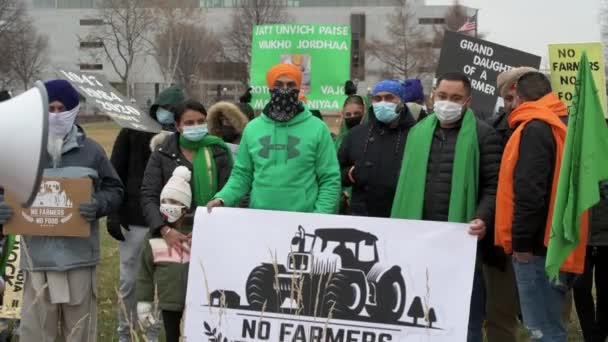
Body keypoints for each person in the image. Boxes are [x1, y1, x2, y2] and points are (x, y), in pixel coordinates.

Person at [0, 79, 124, 341]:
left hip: (78, 257)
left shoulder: (91, 151)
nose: (56, 115)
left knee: (78, 332)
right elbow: (5, 189)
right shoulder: (22, 149)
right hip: (36, 258)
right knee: (36, 333)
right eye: (51, 108)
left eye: (62, 109)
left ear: (74, 110)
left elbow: (115, 189)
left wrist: (99, 204)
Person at [391, 72, 502, 342]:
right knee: (418, 312)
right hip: (421, 240)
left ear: (468, 102)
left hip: (462, 243)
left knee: (464, 318)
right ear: (433, 95)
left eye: (455, 98)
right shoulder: (417, 133)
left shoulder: (484, 135)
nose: (447, 102)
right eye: (442, 96)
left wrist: (482, 218)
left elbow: (494, 186)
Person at [495, 71, 587, 342]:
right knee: (552, 326)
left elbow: (529, 193)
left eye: (512, 99)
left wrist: (520, 245)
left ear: (519, 96)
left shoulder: (534, 127)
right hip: (560, 241)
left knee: (543, 330)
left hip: (535, 249)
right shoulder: (564, 121)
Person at [206, 63, 340, 214]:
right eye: (278, 84)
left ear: (299, 88)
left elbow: (329, 178)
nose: (284, 89)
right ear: (270, 88)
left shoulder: (318, 128)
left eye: (290, 84)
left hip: (303, 220)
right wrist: (223, 198)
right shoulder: (253, 129)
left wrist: (319, 216)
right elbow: (242, 174)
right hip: (261, 220)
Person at [107, 85, 185, 342]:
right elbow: (114, 173)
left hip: (167, 224)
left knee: (161, 284)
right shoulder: (132, 131)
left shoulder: (182, 140)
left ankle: (151, 334)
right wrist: (114, 213)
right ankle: (125, 332)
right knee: (130, 281)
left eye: (173, 111)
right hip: (134, 222)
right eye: (163, 109)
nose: (166, 114)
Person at [141, 100, 233, 257]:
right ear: (178, 126)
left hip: (211, 232)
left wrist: (209, 229)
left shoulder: (219, 151)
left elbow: (230, 193)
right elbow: (148, 195)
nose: (196, 126)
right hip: (171, 233)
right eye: (189, 123)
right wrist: (165, 230)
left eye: (200, 121)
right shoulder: (162, 153)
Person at [338, 80, 416, 218]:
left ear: (401, 101)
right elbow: (336, 171)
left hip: (400, 214)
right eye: (378, 99)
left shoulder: (416, 134)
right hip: (362, 214)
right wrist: (351, 173)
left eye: (389, 97)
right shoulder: (356, 134)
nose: (383, 102)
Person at [138, 166, 193, 342]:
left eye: (176, 202)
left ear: (185, 207)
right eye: (166, 200)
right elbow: (144, 273)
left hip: (193, 302)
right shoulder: (153, 237)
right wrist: (144, 303)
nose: (170, 206)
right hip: (168, 303)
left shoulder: (196, 233)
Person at [573, 180, 608, 342]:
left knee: (605, 290)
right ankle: (592, 337)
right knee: (580, 287)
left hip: (605, 237)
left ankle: (601, 332)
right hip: (581, 236)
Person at [334, 95, 366, 214]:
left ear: (364, 113)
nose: (352, 117)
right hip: (339, 201)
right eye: (348, 115)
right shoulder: (338, 140)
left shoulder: (370, 137)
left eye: (357, 113)